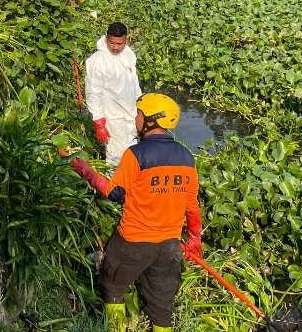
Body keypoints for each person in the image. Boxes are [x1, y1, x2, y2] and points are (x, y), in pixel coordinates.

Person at [69, 93, 203, 332]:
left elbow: (113, 193)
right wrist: (194, 238)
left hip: (132, 242)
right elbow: (191, 207)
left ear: (151, 120)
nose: (136, 118)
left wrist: (86, 171)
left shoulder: (136, 155)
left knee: (113, 286)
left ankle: (117, 328)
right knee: (162, 304)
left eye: (139, 113)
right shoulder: (187, 158)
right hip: (169, 246)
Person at [85, 22, 142, 166]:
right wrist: (99, 124)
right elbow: (93, 94)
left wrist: (141, 105)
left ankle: (129, 185)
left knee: (132, 153)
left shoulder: (128, 54)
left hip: (131, 114)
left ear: (126, 40)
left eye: (119, 43)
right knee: (116, 157)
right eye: (112, 43)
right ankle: (113, 186)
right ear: (106, 39)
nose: (115, 47)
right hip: (113, 118)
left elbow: (134, 82)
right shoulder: (98, 61)